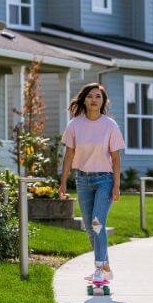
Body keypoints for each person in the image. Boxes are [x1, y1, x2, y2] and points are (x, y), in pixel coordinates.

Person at [59, 83, 125, 283]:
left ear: (103, 101)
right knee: (90, 226)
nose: (94, 100)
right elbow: (69, 155)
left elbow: (115, 158)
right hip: (82, 180)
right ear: (84, 100)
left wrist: (116, 185)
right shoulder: (74, 125)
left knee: (98, 223)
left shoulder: (110, 125)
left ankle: (98, 268)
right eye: (90, 96)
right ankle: (105, 267)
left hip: (104, 180)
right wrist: (62, 182)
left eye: (98, 96)